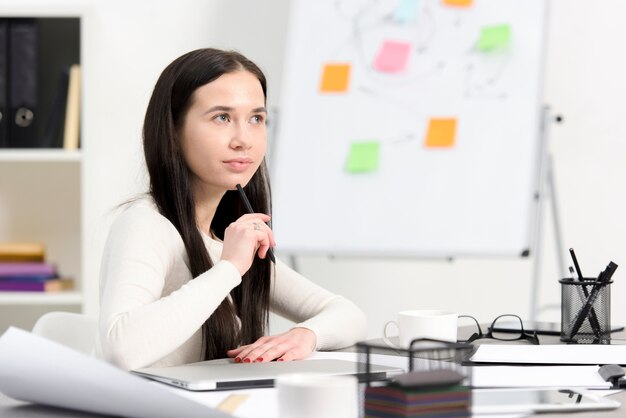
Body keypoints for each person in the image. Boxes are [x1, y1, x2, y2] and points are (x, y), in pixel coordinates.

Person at [97, 48, 368, 371]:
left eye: (256, 118)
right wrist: (228, 270)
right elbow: (120, 349)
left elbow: (348, 314)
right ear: (174, 129)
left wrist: (305, 334)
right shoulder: (148, 222)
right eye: (222, 117)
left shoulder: (228, 239)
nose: (244, 140)